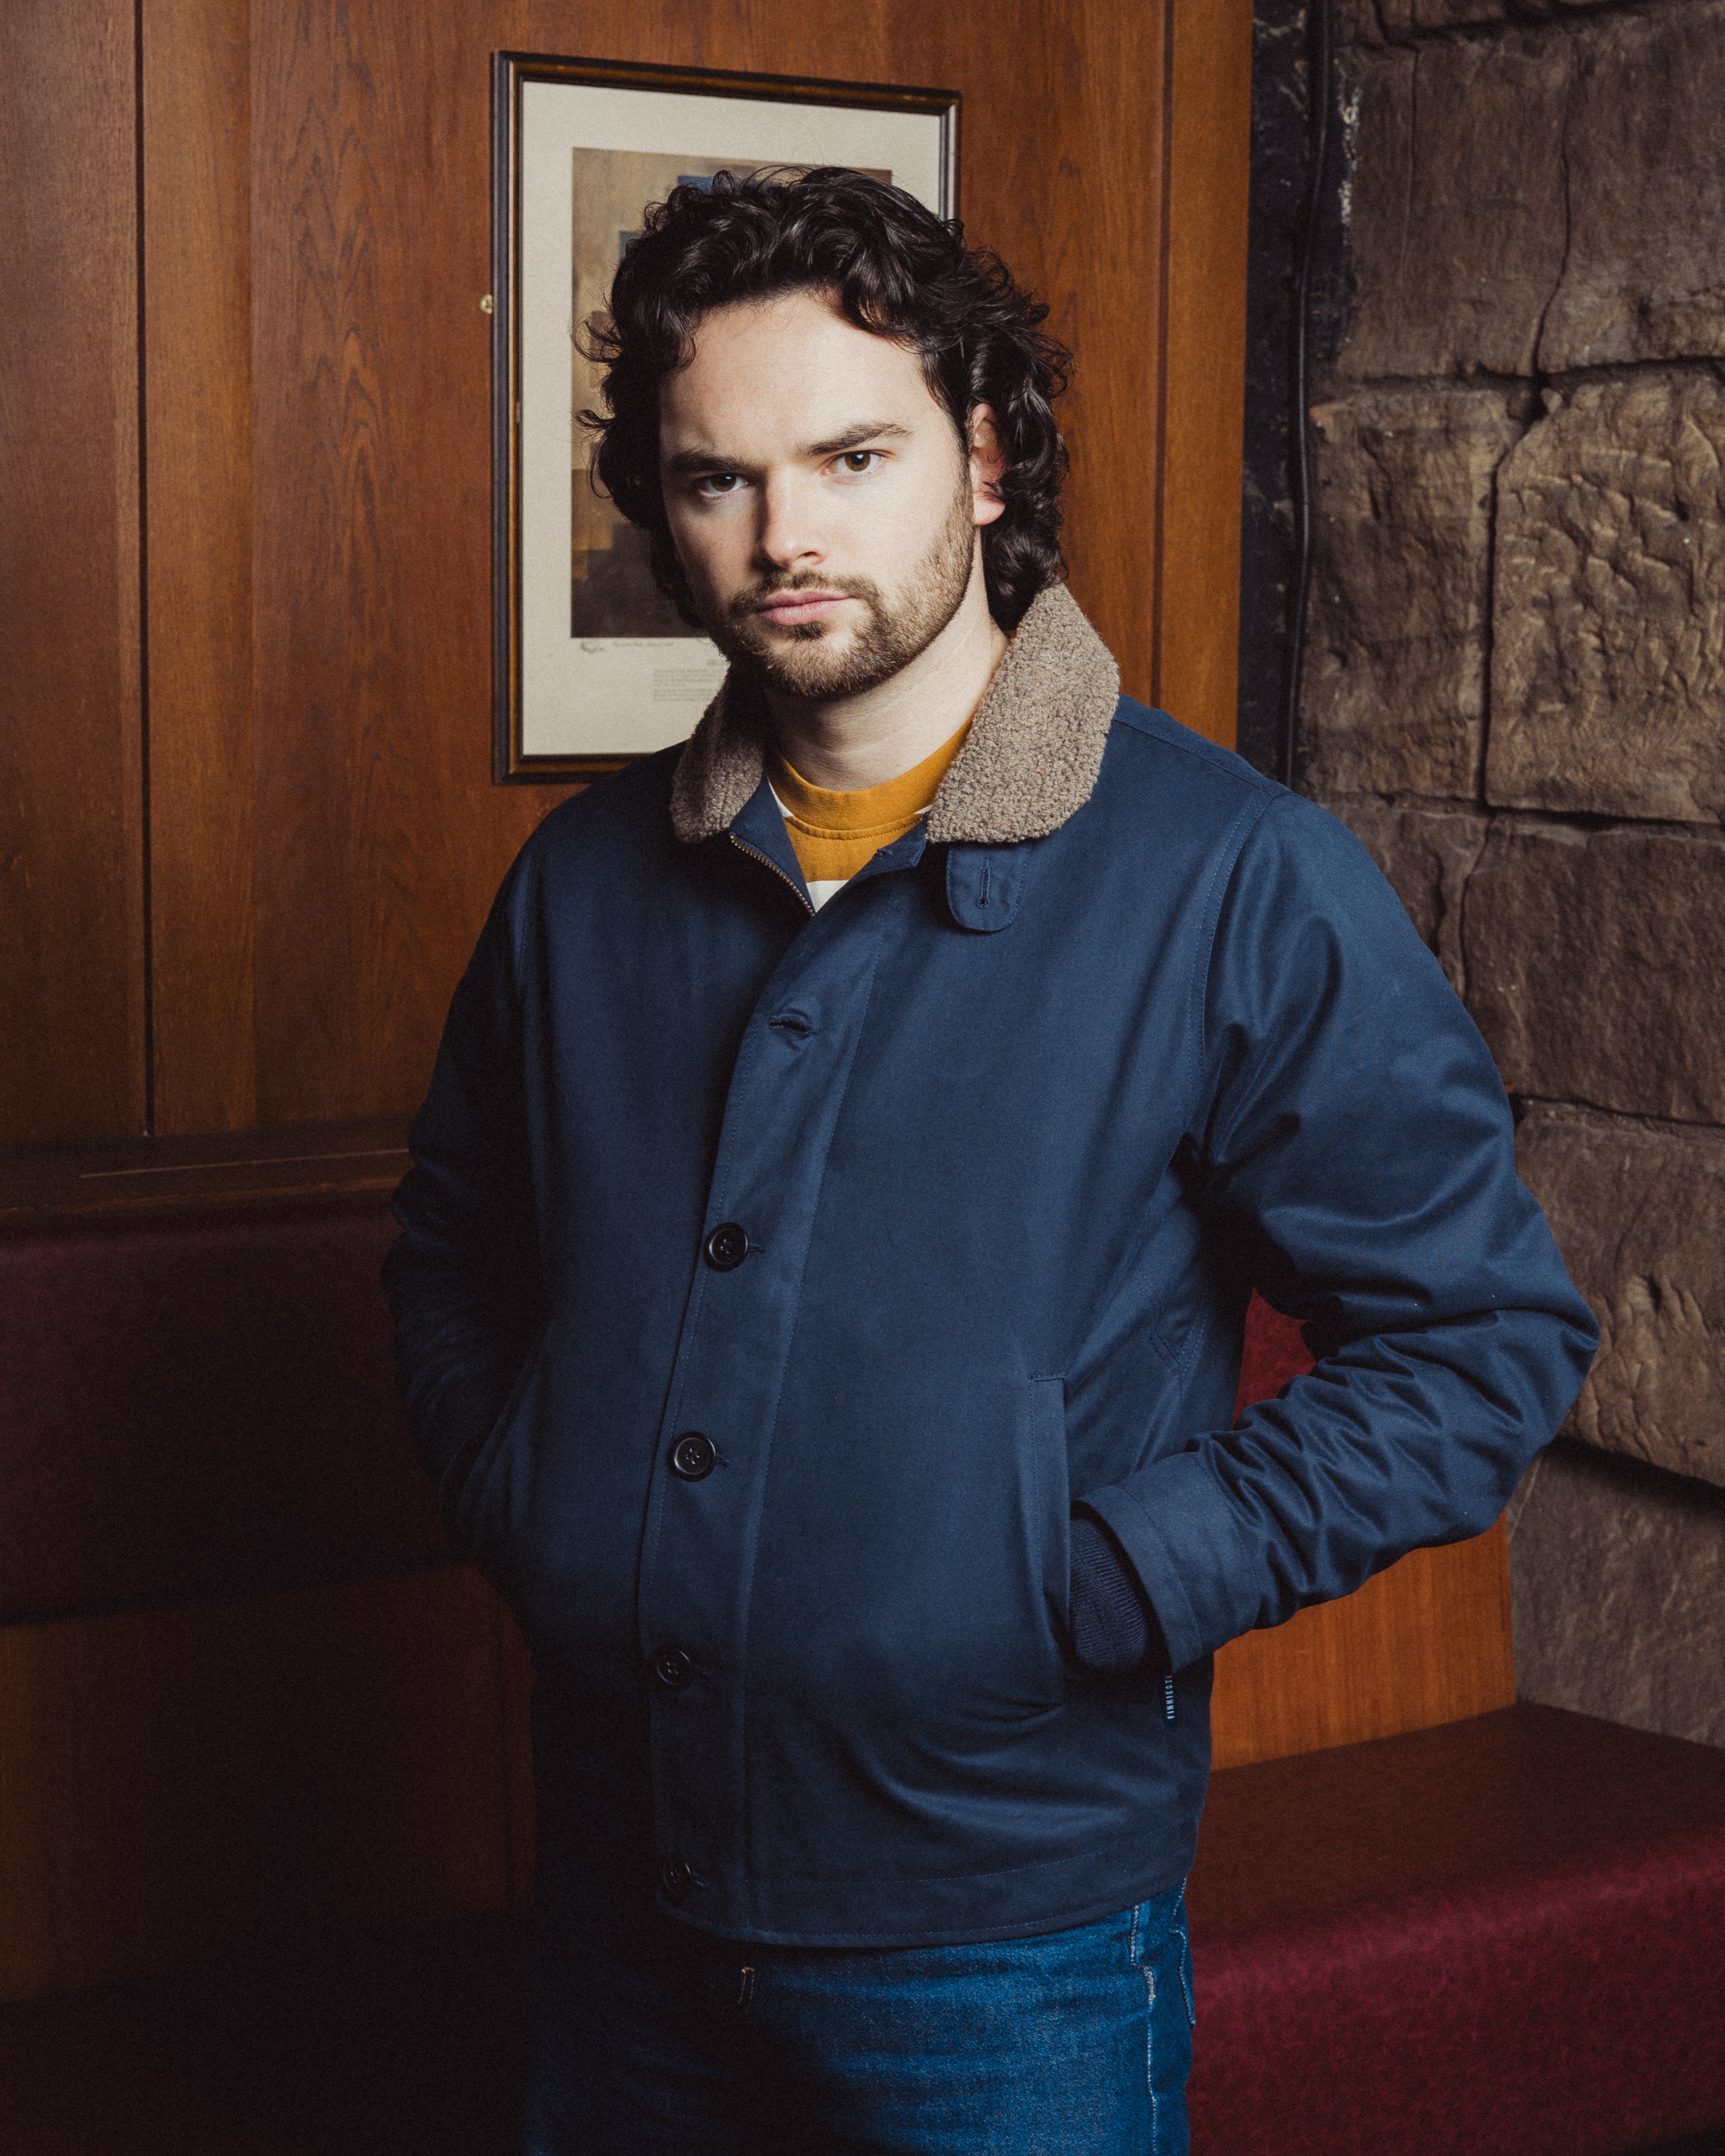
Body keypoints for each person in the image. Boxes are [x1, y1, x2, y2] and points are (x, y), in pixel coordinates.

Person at [383, 168, 1595, 2155]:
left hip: (1002, 1942)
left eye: (849, 459)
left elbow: (1483, 1344)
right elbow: (452, 1253)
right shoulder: (579, 889)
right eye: (716, 480)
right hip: (620, 1902)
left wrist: (1101, 1581)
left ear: (983, 452)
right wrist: (537, 1498)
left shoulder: (1229, 875)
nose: (783, 536)